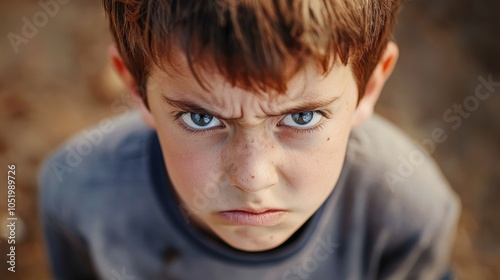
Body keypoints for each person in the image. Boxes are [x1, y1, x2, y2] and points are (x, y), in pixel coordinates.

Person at [39, 1, 460, 279]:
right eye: (201, 118)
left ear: (370, 86)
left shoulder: (407, 215)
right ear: (135, 84)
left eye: (301, 117)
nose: (252, 178)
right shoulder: (79, 197)